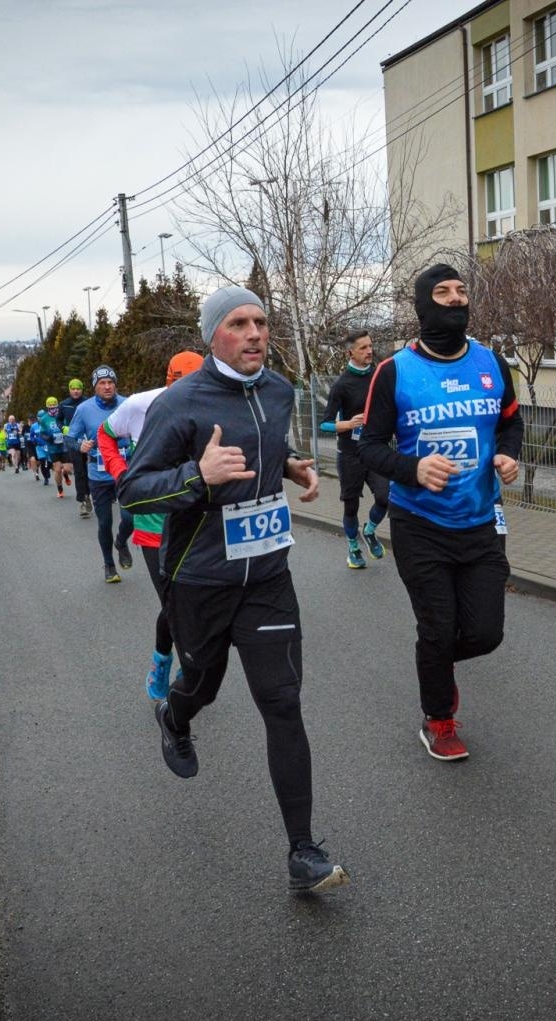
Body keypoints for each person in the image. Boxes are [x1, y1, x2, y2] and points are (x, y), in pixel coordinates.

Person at [121, 287, 347, 893]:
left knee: (283, 703)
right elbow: (134, 491)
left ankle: (303, 852)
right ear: (212, 335)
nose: (254, 333)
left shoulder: (278, 390)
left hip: (268, 576)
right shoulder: (180, 403)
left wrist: (289, 464)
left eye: (261, 322)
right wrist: (197, 476)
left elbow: (266, 446)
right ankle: (175, 715)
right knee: (202, 683)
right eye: (239, 323)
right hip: (201, 580)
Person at [358, 263, 523, 762]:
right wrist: (413, 468)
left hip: (481, 521)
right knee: (436, 626)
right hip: (420, 525)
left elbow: (511, 423)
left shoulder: (492, 363)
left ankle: (434, 660)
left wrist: (507, 455)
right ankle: (439, 719)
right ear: (423, 305)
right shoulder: (394, 371)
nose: (455, 299)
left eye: (462, 291)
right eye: (443, 292)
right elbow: (370, 446)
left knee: (485, 633)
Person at [99, 350, 203, 698]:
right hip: (154, 522)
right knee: (174, 603)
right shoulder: (140, 405)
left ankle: (190, 665)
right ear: (169, 383)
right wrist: (121, 474)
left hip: (199, 522)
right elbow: (105, 434)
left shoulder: (216, 405)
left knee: (199, 602)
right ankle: (167, 663)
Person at [319, 331, 390, 569]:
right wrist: (349, 424)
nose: (369, 351)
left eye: (370, 346)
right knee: (351, 506)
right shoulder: (342, 385)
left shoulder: (379, 375)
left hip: (376, 450)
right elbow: (325, 424)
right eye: (363, 348)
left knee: (385, 497)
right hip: (350, 454)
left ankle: (369, 531)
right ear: (350, 352)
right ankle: (353, 547)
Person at [67, 365, 133, 583]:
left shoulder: (128, 404)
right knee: (104, 522)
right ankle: (109, 564)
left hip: (124, 471)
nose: (107, 387)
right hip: (99, 474)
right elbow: (70, 438)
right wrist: (80, 445)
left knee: (130, 516)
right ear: (95, 387)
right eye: (102, 383)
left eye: (110, 382)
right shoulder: (84, 409)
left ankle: (121, 542)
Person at [58, 378, 90, 519]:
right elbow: (58, 420)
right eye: (73, 388)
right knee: (79, 471)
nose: (76, 391)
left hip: (88, 440)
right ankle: (82, 500)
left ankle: (89, 495)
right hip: (73, 441)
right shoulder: (64, 404)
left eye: (78, 388)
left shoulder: (88, 402)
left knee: (89, 470)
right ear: (69, 390)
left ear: (82, 389)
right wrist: (63, 428)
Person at [32, 399, 65, 493]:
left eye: (54, 407)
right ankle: (60, 489)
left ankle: (65, 474)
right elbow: (42, 433)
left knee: (67, 468)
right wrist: (48, 438)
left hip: (64, 446)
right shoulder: (44, 419)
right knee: (57, 469)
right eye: (50, 408)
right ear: (47, 408)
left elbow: (69, 427)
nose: (53, 409)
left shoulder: (63, 415)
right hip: (52, 447)